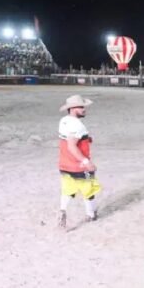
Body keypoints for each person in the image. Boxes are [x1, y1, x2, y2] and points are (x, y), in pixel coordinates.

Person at [57, 95, 101, 229]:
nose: (84, 109)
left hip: (65, 164)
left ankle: (62, 210)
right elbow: (72, 145)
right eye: (81, 107)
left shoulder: (64, 121)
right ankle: (91, 214)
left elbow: (69, 140)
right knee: (89, 187)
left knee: (68, 189)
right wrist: (86, 161)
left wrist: (86, 138)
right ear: (72, 109)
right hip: (81, 167)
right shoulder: (78, 125)